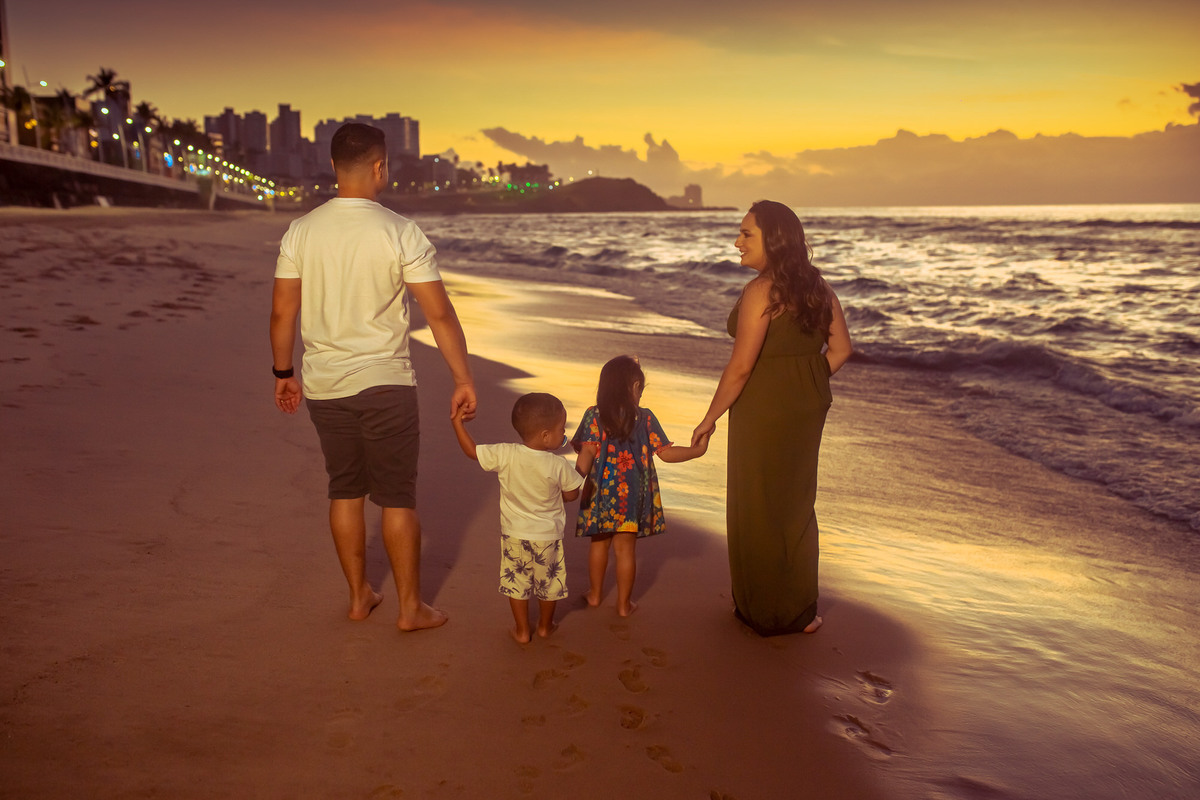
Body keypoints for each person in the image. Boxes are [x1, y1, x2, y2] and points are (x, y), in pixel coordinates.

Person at [269, 122, 476, 633]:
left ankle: (360, 596)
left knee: (345, 490)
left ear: (334, 167)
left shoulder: (301, 230)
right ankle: (410, 608)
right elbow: (440, 315)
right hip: (386, 382)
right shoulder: (401, 231)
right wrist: (462, 377)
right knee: (397, 498)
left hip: (325, 384)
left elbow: (281, 314)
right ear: (380, 166)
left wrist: (283, 372)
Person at [691, 200, 852, 636]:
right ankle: (801, 612)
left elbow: (741, 367)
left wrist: (709, 419)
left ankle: (763, 609)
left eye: (747, 234)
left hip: (762, 405)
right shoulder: (819, 288)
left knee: (757, 503)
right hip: (808, 402)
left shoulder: (761, 291)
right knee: (796, 503)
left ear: (774, 240)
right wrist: (806, 379)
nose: (737, 241)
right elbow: (840, 351)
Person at [573, 355, 711, 616]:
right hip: (630, 496)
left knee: (599, 544)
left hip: (599, 493)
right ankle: (624, 605)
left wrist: (573, 482)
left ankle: (594, 595)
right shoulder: (644, 418)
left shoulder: (594, 415)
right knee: (625, 550)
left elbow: (587, 453)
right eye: (640, 389)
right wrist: (697, 451)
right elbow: (666, 453)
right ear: (634, 387)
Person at [451, 393, 584, 642]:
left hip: (515, 535)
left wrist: (457, 424)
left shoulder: (506, 454)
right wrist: (582, 466)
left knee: (517, 583)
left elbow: (472, 451)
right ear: (545, 435)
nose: (563, 433)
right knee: (548, 584)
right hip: (548, 539)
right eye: (561, 429)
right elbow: (571, 496)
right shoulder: (558, 465)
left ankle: (522, 631)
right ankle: (545, 626)